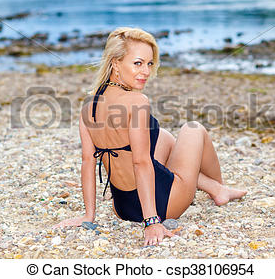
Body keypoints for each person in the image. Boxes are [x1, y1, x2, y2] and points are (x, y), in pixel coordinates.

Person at [53, 27, 247, 246]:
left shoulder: (89, 105)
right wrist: (152, 222)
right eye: (137, 63)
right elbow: (141, 162)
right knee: (193, 129)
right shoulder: (136, 101)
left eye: (149, 63)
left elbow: (88, 161)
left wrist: (89, 216)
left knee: (163, 136)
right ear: (115, 63)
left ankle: (215, 189)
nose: (145, 71)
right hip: (161, 205)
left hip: (123, 208)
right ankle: (219, 188)